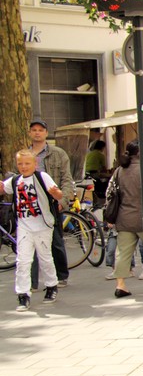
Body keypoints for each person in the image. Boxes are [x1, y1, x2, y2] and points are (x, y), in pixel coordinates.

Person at [3, 149, 63, 311]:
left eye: (27, 163)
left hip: (43, 226)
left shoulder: (42, 177)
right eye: (20, 163)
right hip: (24, 226)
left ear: (35, 164)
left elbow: (58, 195)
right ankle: (23, 294)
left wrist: (56, 193)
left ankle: (51, 286)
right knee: (23, 261)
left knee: (45, 257)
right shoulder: (15, 180)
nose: (24, 166)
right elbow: (3, 189)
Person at [28, 119, 72, 288]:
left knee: (55, 240)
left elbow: (66, 178)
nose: (37, 133)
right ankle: (32, 282)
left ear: (46, 133)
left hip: (51, 201)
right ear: (30, 133)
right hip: (31, 203)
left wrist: (63, 199)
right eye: (34, 130)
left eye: (40, 130)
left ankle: (61, 275)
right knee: (29, 242)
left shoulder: (58, 153)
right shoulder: (25, 154)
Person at [108, 140, 143, 298]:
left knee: (122, 253)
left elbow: (110, 193)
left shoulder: (119, 171)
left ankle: (120, 285)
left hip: (124, 217)